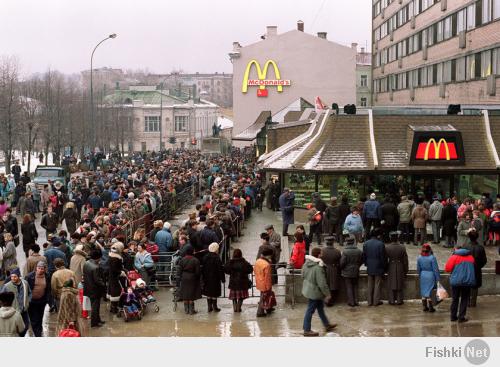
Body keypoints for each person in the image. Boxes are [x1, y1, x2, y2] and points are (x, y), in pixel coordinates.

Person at [301, 247, 337, 337]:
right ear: (318, 255)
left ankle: (327, 325)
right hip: (315, 292)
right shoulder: (318, 267)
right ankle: (306, 329)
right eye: (321, 253)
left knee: (320, 308)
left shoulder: (306, 263)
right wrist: (328, 294)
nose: (323, 254)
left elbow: (302, 275)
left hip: (309, 289)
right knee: (310, 310)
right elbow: (322, 283)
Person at [445, 244, 476, 322]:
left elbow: (447, 269)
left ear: (456, 249)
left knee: (455, 299)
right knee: (464, 299)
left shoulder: (454, 257)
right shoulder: (471, 258)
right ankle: (461, 317)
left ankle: (453, 316)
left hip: (455, 282)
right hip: (467, 282)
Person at [1, 268, 31, 336]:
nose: (13, 278)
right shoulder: (7, 286)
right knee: (15, 327)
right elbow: (1, 297)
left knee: (26, 326)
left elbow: (29, 293)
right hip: (13, 311)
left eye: (15, 276)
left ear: (19, 276)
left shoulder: (25, 283)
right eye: (11, 276)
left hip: (24, 310)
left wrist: (27, 302)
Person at [26, 261, 51, 337]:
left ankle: (38, 331)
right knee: (34, 319)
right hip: (32, 302)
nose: (40, 270)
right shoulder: (30, 276)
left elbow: (48, 289)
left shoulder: (47, 276)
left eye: (42, 268)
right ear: (36, 268)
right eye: (39, 268)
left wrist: (48, 299)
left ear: (44, 269)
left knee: (40, 317)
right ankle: (37, 333)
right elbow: (26, 289)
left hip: (41, 301)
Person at [362, 229, 386, 306]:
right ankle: (376, 301)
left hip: (369, 266)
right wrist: (384, 266)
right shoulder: (381, 244)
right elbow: (383, 257)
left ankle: (369, 301)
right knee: (377, 284)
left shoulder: (366, 243)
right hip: (378, 267)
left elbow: (364, 256)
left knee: (370, 284)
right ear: (378, 235)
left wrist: (366, 264)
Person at [83, 249, 106, 328]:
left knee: (95, 306)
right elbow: (98, 280)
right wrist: (104, 284)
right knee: (95, 307)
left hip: (88, 288)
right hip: (95, 290)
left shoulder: (86, 263)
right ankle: (94, 323)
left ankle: (98, 320)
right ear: (97, 258)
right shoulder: (95, 267)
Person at [385, 232, 409, 305]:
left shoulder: (387, 247)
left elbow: (385, 259)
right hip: (400, 266)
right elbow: (405, 260)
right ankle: (399, 300)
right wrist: (406, 269)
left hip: (391, 266)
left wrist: (385, 269)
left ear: (391, 238)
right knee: (399, 284)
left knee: (391, 283)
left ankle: (391, 300)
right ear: (397, 238)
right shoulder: (402, 247)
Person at [176, 246, 202, 315]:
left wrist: (180, 278)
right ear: (192, 252)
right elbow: (198, 272)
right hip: (192, 278)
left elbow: (179, 271)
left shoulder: (182, 260)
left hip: (184, 277)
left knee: (185, 293)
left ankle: (186, 310)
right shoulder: (195, 260)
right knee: (191, 293)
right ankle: (191, 310)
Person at [201, 242, 225, 312]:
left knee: (208, 293)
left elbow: (203, 268)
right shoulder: (217, 258)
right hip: (215, 278)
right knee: (214, 293)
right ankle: (215, 307)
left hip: (207, 278)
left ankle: (209, 307)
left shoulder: (205, 257)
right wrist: (222, 279)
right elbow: (220, 269)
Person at [340, 236, 363, 307]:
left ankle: (351, 302)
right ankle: (356, 301)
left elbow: (342, 263)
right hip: (356, 271)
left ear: (347, 243)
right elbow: (361, 260)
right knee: (355, 286)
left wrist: (343, 268)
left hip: (347, 272)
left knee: (349, 286)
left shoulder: (345, 251)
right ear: (353, 242)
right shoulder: (359, 251)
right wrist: (357, 266)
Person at [416, 244, 440, 312]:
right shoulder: (432, 258)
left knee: (424, 292)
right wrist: (438, 278)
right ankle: (431, 308)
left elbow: (418, 269)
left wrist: (420, 275)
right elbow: (435, 269)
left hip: (423, 275)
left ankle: (424, 307)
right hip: (431, 276)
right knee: (430, 292)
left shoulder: (419, 257)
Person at [466, 231, 487, 307]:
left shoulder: (466, 247)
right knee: (475, 287)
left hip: (468, 269)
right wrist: (478, 266)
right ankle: (473, 302)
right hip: (476, 269)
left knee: (467, 286)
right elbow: (484, 260)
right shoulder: (480, 248)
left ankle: (467, 302)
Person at [254, 247, 276, 317]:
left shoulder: (258, 261)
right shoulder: (266, 265)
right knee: (263, 298)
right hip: (265, 284)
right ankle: (260, 312)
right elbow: (267, 277)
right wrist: (268, 286)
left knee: (263, 296)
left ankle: (268, 308)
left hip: (259, 281)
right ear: (269, 255)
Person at [321, 236, 341, 306]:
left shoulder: (322, 251)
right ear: (333, 243)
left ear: (326, 243)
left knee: (326, 285)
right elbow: (340, 262)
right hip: (334, 269)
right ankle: (331, 301)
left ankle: (326, 300)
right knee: (333, 286)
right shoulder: (337, 251)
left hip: (325, 269)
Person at [108, 242, 125, 314]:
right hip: (115, 278)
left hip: (112, 277)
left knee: (113, 292)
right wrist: (121, 272)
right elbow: (115, 269)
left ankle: (112, 308)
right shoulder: (116, 258)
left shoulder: (111, 255)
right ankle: (114, 309)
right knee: (116, 293)